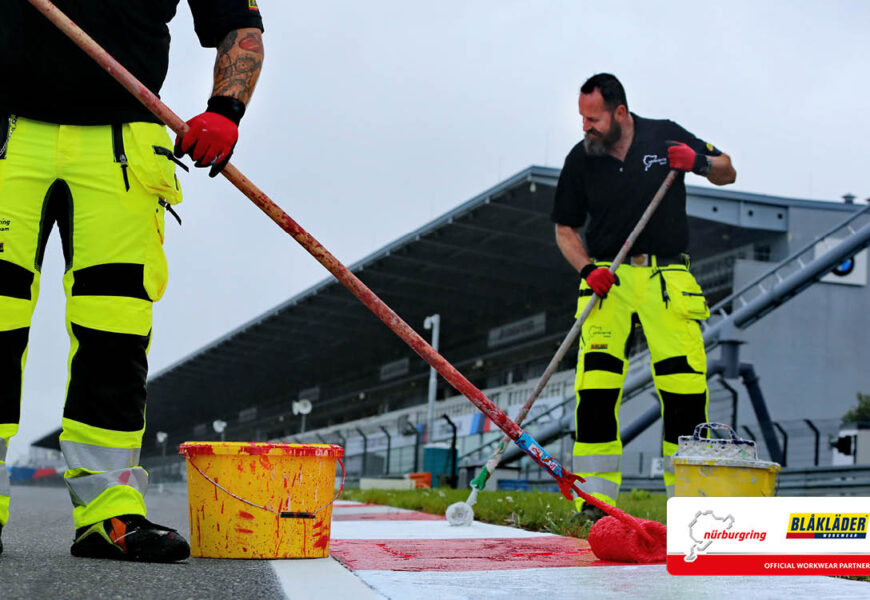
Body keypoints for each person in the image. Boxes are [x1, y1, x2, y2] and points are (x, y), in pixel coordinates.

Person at [0, 0, 264, 561]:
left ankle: (108, 514)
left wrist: (225, 110)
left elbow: (240, 30)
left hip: (124, 142)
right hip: (8, 133)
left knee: (115, 332)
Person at [551, 73, 736, 520]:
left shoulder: (665, 133)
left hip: (666, 277)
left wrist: (697, 162)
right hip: (607, 280)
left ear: (619, 112)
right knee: (595, 390)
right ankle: (595, 504)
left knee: (685, 389)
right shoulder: (581, 159)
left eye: (592, 118)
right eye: (581, 117)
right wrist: (587, 268)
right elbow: (564, 230)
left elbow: (728, 170)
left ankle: (689, 506)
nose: (585, 127)